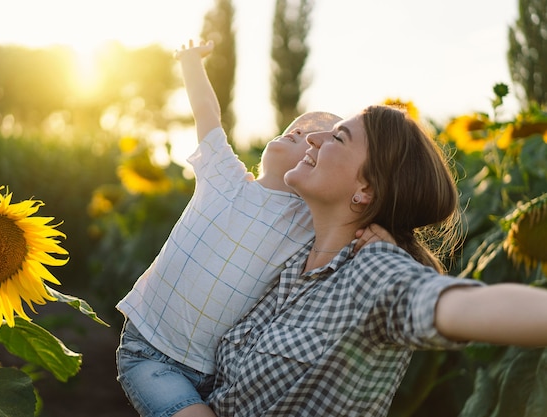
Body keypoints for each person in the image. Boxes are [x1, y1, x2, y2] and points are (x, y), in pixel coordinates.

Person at [208, 104, 547, 416]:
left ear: (366, 190)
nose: (313, 137)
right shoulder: (287, 254)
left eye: (338, 137)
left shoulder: (373, 270)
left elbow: (461, 306)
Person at [115, 40, 389, 417]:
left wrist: (379, 234)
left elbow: (352, 214)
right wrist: (191, 61)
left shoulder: (306, 222)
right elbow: (207, 113)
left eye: (316, 137)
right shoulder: (225, 177)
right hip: (149, 349)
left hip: (220, 374)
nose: (301, 134)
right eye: (296, 128)